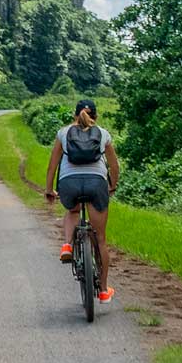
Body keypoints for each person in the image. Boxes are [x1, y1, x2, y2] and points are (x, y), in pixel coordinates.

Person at [44, 99, 120, 303]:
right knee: (101, 239)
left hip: (69, 185)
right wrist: (112, 185)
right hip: (97, 185)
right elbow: (114, 166)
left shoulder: (63, 133)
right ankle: (103, 290)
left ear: (74, 115)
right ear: (95, 116)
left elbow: (52, 166)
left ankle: (68, 245)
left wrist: (49, 189)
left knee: (73, 211)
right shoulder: (103, 134)